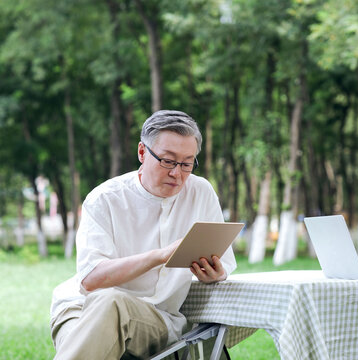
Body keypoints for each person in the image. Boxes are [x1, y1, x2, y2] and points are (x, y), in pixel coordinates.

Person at [50, 110, 237, 359]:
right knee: (105, 308)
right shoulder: (104, 199)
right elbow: (90, 279)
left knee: (111, 305)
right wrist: (161, 255)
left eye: (187, 164)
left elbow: (224, 264)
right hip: (79, 308)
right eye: (168, 161)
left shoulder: (200, 192)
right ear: (141, 152)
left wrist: (216, 273)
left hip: (156, 320)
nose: (177, 174)